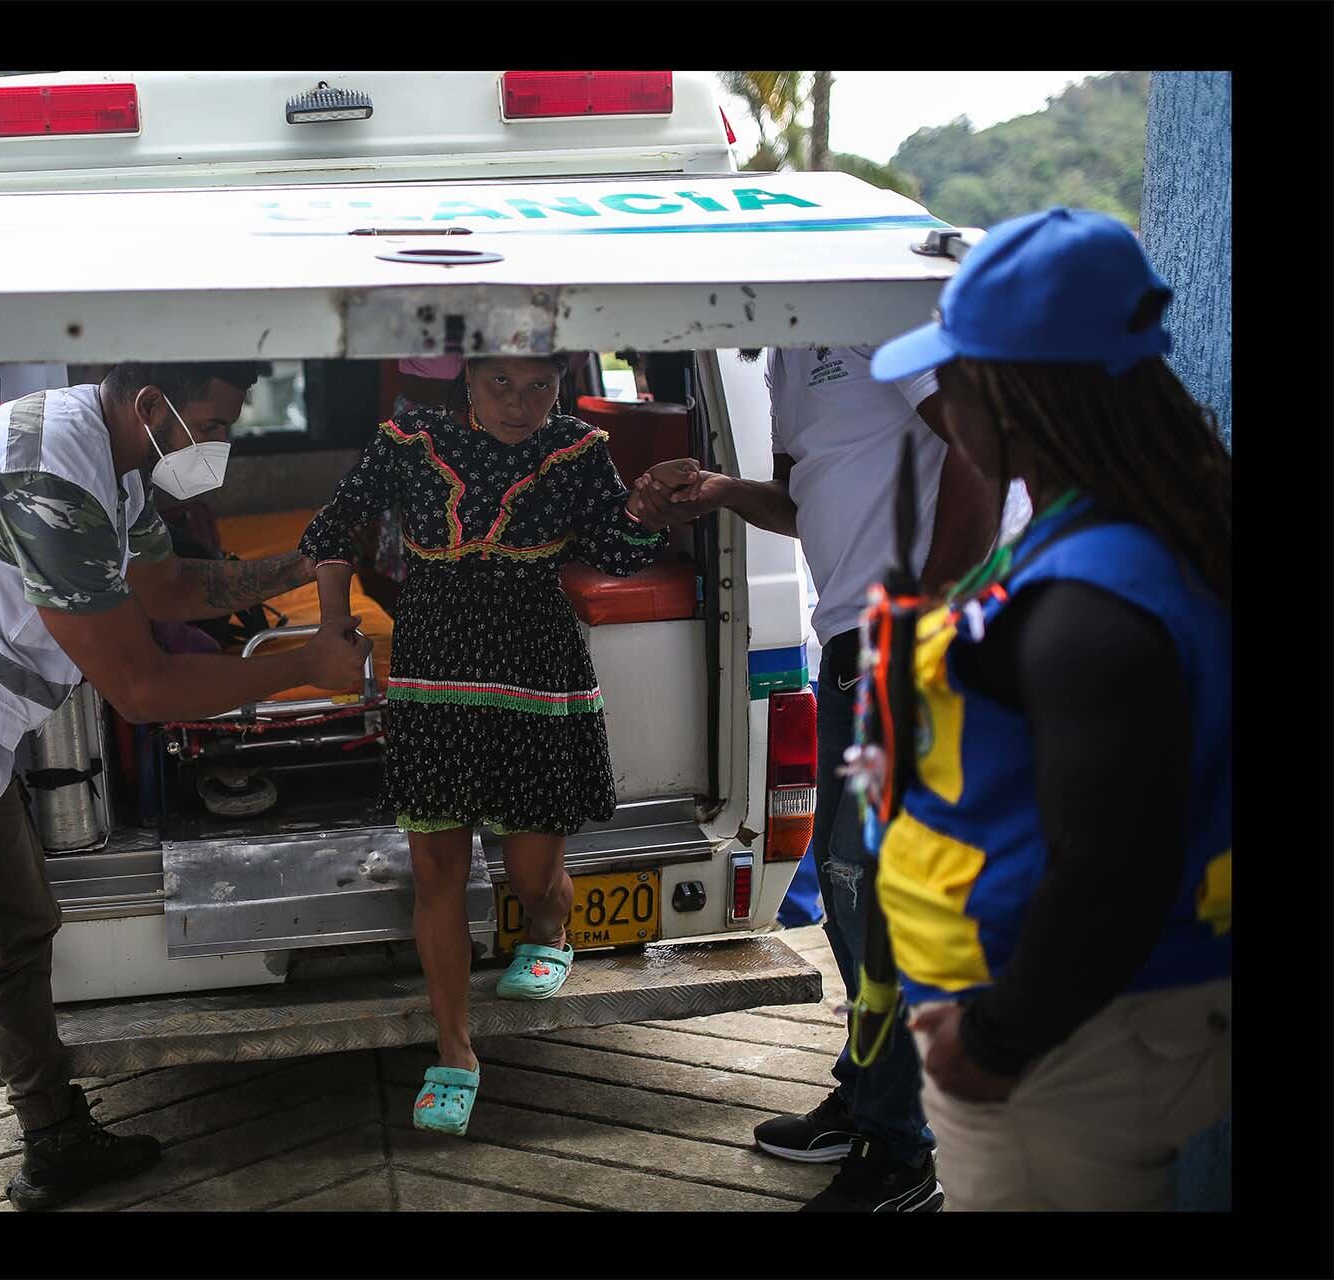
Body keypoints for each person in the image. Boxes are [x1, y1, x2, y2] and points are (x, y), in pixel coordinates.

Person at [0, 361, 369, 1211]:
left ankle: (55, 1138)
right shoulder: (49, 480)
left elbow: (163, 589)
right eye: (219, 423)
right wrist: (304, 663)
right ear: (153, 405)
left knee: (21, 929)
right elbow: (144, 687)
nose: (224, 445)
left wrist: (307, 563)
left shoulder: (112, 462)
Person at [865, 206, 1231, 1211]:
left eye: (956, 380)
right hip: (1105, 1026)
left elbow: (1114, 864)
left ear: (1008, 394)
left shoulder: (1092, 601)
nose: (947, 406)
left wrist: (993, 1043)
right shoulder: (1143, 530)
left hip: (1070, 1052)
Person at [299, 355, 701, 1138]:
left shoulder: (579, 449)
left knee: (530, 875)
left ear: (560, 380)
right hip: (434, 674)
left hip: (535, 674)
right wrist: (330, 617)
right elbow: (331, 525)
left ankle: (553, 928)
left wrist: (648, 505)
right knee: (436, 869)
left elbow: (620, 552)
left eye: (540, 385)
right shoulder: (408, 439)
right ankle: (455, 1051)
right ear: (468, 381)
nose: (522, 404)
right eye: (501, 385)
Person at [649, 342, 1000, 1210]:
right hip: (851, 643)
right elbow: (815, 501)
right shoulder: (785, 357)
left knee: (880, 898)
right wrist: (723, 491)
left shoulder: (879, 319)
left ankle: (900, 1156)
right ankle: (870, 1096)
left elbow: (984, 443)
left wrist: (930, 620)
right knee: (849, 889)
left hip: (913, 643)